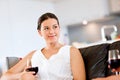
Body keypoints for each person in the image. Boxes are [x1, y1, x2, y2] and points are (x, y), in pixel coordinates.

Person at [0, 12, 86, 80]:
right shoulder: (33, 55)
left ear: (59, 28)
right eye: (46, 28)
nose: (51, 31)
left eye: (55, 27)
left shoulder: (71, 51)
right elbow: (5, 77)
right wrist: (21, 75)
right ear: (40, 32)